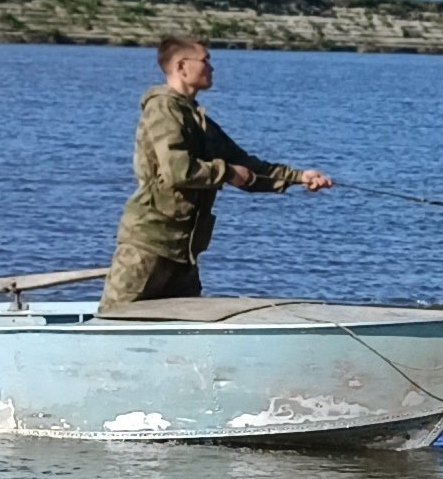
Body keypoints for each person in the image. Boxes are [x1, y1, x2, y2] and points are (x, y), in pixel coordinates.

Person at [105, 39, 329, 306]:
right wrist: (227, 172)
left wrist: (299, 177)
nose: (212, 68)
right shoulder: (163, 109)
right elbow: (179, 170)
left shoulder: (197, 120)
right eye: (205, 60)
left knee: (184, 330)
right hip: (148, 244)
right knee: (114, 319)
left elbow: (245, 165)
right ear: (181, 66)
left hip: (183, 251)